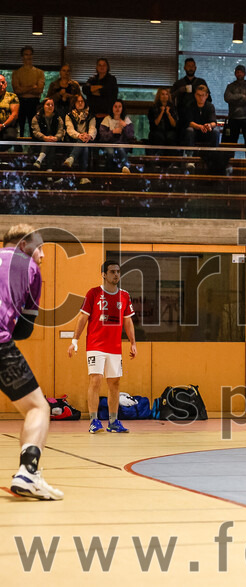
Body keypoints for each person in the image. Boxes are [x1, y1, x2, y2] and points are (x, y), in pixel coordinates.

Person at [2, 225, 63, 500]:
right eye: (40, 248)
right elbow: (25, 330)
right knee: (37, 407)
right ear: (24, 245)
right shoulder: (29, 268)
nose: (43, 256)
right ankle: (28, 474)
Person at [67, 260, 137, 434]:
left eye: (118, 271)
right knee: (96, 379)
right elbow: (83, 318)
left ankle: (113, 422)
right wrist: (74, 340)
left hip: (115, 347)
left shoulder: (124, 296)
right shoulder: (94, 293)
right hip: (95, 345)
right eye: (112, 271)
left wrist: (133, 343)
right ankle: (93, 421)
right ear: (104, 274)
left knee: (114, 383)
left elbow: (128, 321)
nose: (116, 275)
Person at [180, 85, 221, 171]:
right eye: (198, 95)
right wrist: (200, 126)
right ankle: (190, 159)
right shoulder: (190, 105)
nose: (201, 97)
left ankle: (213, 158)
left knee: (216, 132)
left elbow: (214, 122)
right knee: (189, 130)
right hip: (195, 133)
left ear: (206, 95)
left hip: (206, 132)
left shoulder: (210, 106)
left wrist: (209, 125)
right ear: (195, 95)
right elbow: (189, 122)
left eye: (203, 95)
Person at [12, 46, 45, 140]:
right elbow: (17, 91)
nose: (28, 57)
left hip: (34, 102)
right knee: (20, 128)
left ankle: (34, 148)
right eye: (26, 54)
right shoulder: (16, 73)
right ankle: (18, 148)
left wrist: (23, 89)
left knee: (34, 127)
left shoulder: (39, 72)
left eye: (30, 54)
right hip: (20, 102)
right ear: (22, 56)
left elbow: (39, 90)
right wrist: (32, 87)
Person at [97, 99, 134, 173]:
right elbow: (102, 136)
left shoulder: (126, 120)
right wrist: (113, 132)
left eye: (119, 107)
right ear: (112, 108)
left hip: (122, 145)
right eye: (115, 106)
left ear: (122, 108)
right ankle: (110, 172)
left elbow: (131, 136)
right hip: (109, 144)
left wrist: (125, 126)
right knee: (110, 153)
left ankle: (125, 169)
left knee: (120, 149)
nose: (117, 109)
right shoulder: (107, 119)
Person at [63, 94, 96, 175]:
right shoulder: (69, 115)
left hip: (87, 140)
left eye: (82, 101)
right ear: (74, 103)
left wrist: (89, 136)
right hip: (73, 140)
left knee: (84, 145)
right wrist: (79, 136)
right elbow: (70, 129)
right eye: (78, 101)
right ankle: (83, 175)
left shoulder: (91, 115)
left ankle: (72, 158)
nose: (80, 103)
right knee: (84, 146)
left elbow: (92, 128)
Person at [223, 64, 246, 143]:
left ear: (245, 74)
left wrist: (234, 99)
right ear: (235, 74)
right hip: (233, 117)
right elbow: (227, 98)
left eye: (241, 72)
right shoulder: (230, 86)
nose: (239, 74)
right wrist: (241, 96)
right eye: (237, 72)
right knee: (231, 142)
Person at [30, 97, 65, 169]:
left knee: (51, 143)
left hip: (55, 142)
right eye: (48, 104)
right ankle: (49, 170)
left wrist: (56, 137)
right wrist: (44, 137)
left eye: (52, 105)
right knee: (49, 143)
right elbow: (36, 131)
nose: (50, 106)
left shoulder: (58, 118)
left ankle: (39, 160)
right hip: (40, 142)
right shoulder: (37, 118)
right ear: (43, 106)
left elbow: (60, 130)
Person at [147, 87, 178, 152]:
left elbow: (174, 124)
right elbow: (154, 124)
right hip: (157, 130)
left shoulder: (172, 107)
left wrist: (168, 114)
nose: (164, 96)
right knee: (158, 136)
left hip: (170, 130)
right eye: (162, 94)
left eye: (166, 94)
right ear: (159, 96)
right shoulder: (153, 108)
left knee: (171, 136)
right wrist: (161, 112)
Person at [0, 75, 20, 149]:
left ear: (6, 84)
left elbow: (14, 115)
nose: (0, 84)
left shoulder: (12, 96)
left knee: (10, 136)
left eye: (3, 82)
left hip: (7, 126)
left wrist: (3, 125)